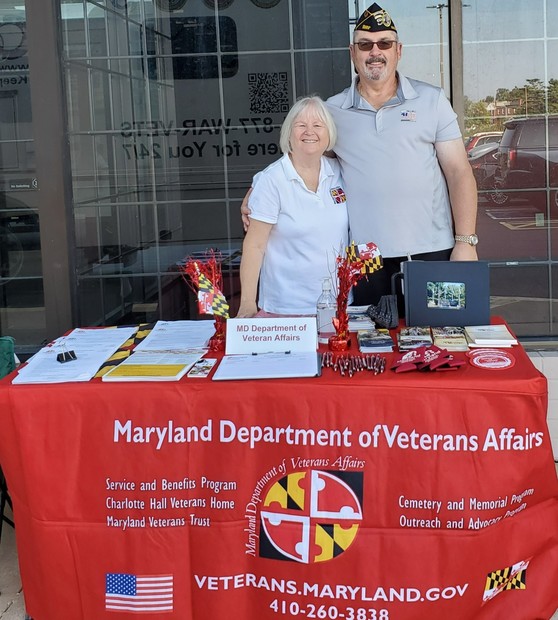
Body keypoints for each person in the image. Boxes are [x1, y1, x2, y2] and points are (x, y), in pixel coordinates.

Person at [242, 3, 478, 309]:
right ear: (352, 53)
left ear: (398, 50)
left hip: (433, 252)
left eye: (384, 43)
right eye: (365, 45)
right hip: (366, 260)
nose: (375, 52)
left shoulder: (431, 100)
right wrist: (258, 189)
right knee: (373, 338)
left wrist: (465, 241)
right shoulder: (333, 110)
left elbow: (459, 172)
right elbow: (305, 159)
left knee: (440, 334)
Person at [236, 96, 349, 317]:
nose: (309, 132)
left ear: (329, 134)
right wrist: (248, 302)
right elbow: (255, 246)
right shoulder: (271, 180)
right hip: (286, 308)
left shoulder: (340, 171)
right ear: (289, 133)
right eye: (301, 125)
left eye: (318, 125)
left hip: (338, 305)